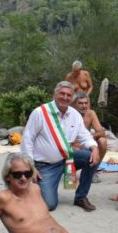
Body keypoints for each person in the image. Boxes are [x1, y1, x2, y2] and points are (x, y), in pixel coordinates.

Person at [21, 81, 100, 212]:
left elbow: (84, 135)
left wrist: (95, 148)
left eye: (68, 95)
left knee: (91, 157)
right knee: (49, 205)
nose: (65, 97)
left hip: (66, 160)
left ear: (72, 98)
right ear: (55, 94)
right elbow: (27, 140)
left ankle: (81, 197)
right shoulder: (40, 112)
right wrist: (31, 167)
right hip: (45, 165)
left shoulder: (74, 114)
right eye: (62, 93)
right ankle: (33, 184)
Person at [72, 92, 108, 162]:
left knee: (102, 141)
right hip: (72, 144)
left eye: (86, 103)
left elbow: (101, 132)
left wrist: (87, 138)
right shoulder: (69, 113)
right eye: (80, 103)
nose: (84, 106)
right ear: (74, 104)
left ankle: (95, 165)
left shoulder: (91, 113)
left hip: (87, 141)